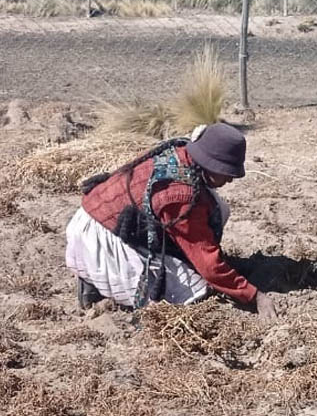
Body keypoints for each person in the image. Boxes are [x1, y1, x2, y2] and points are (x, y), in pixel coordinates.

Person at [65, 123, 278, 318]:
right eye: (226, 172)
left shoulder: (184, 153)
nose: (230, 179)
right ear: (210, 165)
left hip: (111, 217)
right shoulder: (180, 196)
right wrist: (254, 295)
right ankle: (94, 281)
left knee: (218, 209)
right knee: (192, 291)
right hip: (98, 236)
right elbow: (210, 267)